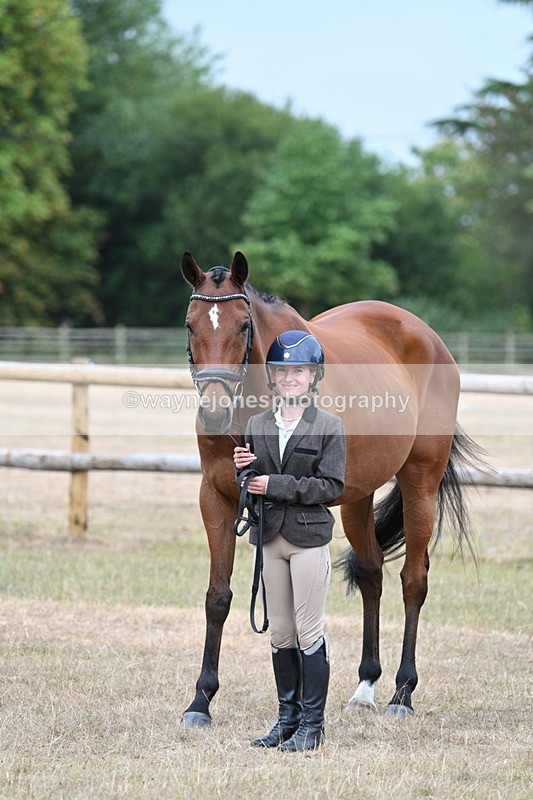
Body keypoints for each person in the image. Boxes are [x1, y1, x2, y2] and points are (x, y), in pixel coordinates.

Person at [233, 329, 346, 752]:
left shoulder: (329, 425)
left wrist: (272, 483)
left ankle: (313, 726)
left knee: (308, 630)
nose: (289, 378)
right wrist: (242, 470)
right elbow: (249, 482)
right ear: (273, 377)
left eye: (298, 371)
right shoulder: (258, 424)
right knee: (280, 632)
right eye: (282, 371)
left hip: (307, 538)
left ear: (313, 376)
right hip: (268, 538)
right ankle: (288, 718)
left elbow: (332, 486)